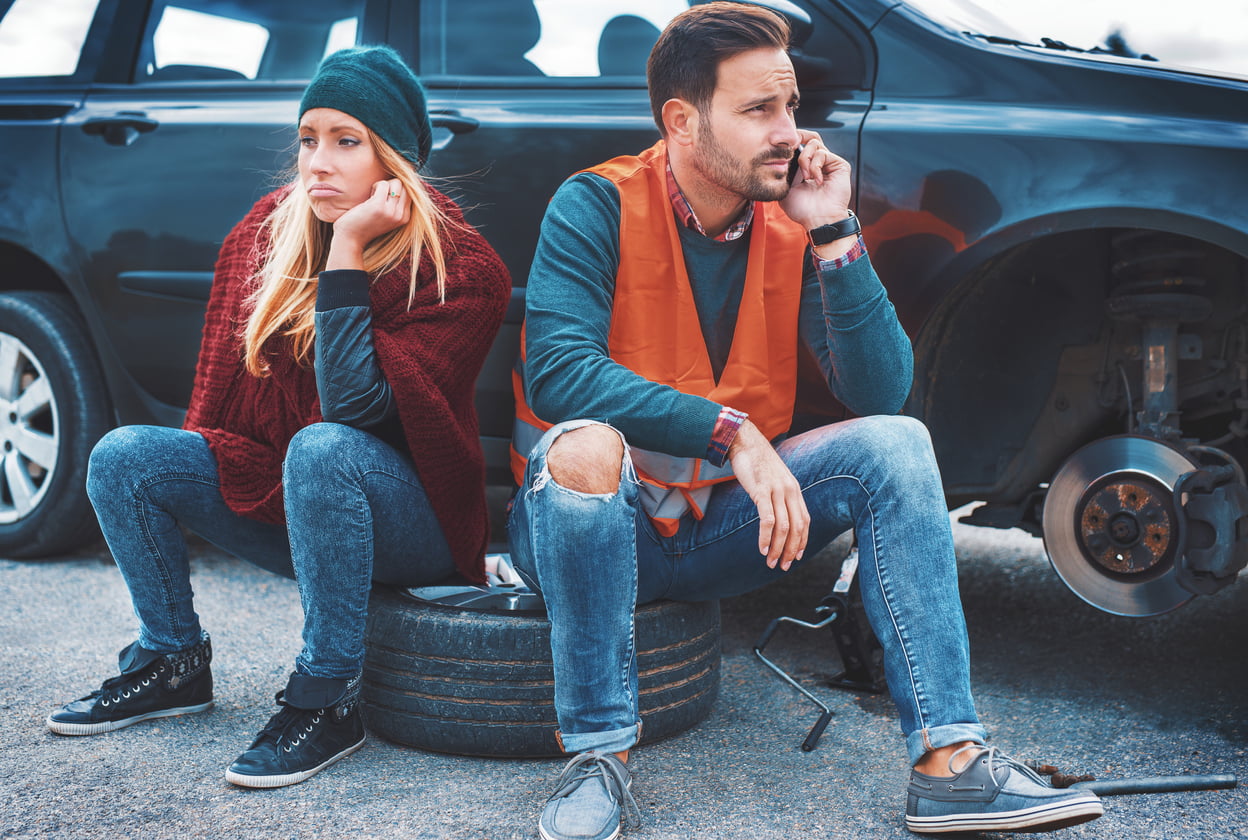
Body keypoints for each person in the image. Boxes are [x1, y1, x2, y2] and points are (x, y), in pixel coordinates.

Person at [508, 5, 1103, 838]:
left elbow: (880, 395)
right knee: (584, 447)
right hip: (589, 531)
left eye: (790, 106)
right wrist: (733, 434)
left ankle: (949, 765)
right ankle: (599, 760)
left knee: (896, 447)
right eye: (759, 110)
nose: (788, 132)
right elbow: (560, 372)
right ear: (682, 120)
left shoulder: (789, 223)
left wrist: (833, 232)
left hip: (715, 533)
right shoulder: (594, 204)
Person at [46, 45, 511, 789]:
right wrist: (197, 477)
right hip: (296, 500)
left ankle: (328, 698)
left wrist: (349, 252)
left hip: (410, 525)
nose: (317, 162)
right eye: (308, 138)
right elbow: (218, 418)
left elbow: (352, 407)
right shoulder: (265, 233)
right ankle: (171, 662)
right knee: (125, 456)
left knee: (324, 448)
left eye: (346, 141)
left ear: (393, 160)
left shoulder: (462, 270)